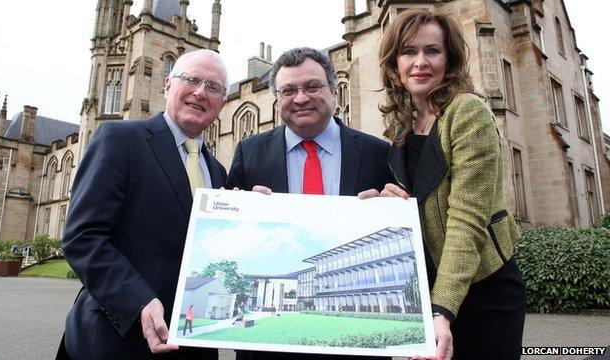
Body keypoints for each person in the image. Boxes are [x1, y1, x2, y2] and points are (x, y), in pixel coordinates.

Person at [362, 8, 526, 360]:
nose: (420, 62)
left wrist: (443, 311)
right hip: (434, 289)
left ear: (448, 59)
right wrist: (389, 204)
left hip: (485, 291)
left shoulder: (467, 112)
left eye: (432, 51)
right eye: (408, 52)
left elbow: (467, 219)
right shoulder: (402, 127)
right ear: (394, 64)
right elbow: (421, 203)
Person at [58, 49, 228, 360]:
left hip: (192, 344)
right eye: (191, 80)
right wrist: (138, 300)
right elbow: (82, 237)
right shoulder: (120, 139)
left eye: (213, 87)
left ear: (222, 103)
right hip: (118, 341)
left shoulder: (216, 171)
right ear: (167, 85)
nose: (200, 92)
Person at [227, 47, 390, 360]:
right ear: (277, 99)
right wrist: (239, 214)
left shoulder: (377, 153)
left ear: (333, 91)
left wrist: (394, 208)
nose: (300, 98)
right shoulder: (249, 153)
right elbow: (235, 238)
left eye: (312, 86)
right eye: (288, 90)